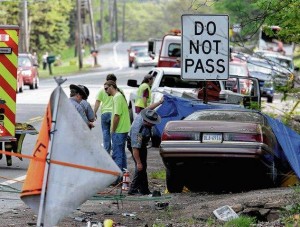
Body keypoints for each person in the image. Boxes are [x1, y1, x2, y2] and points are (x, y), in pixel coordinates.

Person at [128, 98, 164, 195]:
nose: (153, 124)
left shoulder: (143, 114)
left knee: (144, 166)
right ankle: (133, 189)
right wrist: (139, 162)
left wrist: (159, 102)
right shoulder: (138, 131)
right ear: (147, 121)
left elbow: (149, 108)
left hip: (142, 144)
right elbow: (135, 148)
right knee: (140, 167)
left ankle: (144, 189)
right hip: (134, 144)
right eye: (152, 123)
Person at [104, 80, 130, 173]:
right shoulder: (118, 96)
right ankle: (123, 176)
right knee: (121, 154)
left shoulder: (117, 97)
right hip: (123, 129)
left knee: (117, 154)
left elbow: (116, 116)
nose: (105, 91)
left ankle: (117, 178)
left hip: (119, 130)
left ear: (111, 87)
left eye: (106, 89)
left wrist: (113, 130)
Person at [94, 74, 117, 153]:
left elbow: (97, 102)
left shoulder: (102, 90)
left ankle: (107, 151)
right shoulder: (118, 90)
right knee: (114, 132)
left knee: (105, 132)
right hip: (114, 114)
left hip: (105, 114)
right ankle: (115, 150)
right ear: (115, 81)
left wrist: (94, 113)